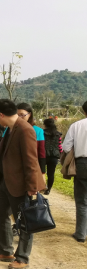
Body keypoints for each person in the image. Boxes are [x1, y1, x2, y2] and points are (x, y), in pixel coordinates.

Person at [0, 99, 45, 269]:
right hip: (7, 181)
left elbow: (31, 161)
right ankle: (5, 250)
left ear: (1, 115)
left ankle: (23, 257)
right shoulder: (11, 129)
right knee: (1, 215)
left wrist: (31, 187)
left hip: (21, 184)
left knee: (25, 221)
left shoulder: (25, 130)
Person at [62, 101, 87, 243]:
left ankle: (81, 233)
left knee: (82, 200)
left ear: (84, 111)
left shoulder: (77, 125)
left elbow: (66, 147)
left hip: (82, 163)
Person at [17, 103, 46, 174]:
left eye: (22, 115)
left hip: (31, 168)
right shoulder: (9, 130)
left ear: (29, 115)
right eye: (17, 115)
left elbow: (41, 152)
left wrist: (42, 172)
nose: (19, 117)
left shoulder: (38, 131)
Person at [43, 118, 62, 195]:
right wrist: (60, 155)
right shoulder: (58, 134)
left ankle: (42, 186)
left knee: (41, 172)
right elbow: (60, 146)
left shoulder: (42, 133)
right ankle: (48, 190)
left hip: (43, 155)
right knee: (51, 174)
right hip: (54, 156)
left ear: (45, 125)